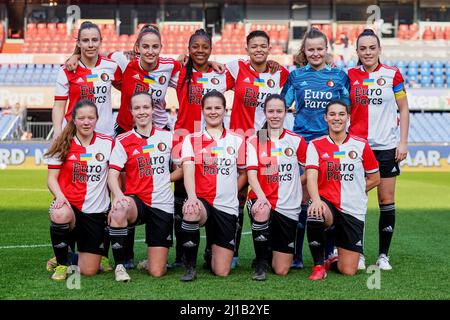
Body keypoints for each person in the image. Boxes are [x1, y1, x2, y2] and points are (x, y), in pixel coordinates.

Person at [281, 27, 350, 269]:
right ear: (304, 50)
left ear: (326, 49)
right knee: (302, 201)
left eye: (320, 48)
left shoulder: (340, 77)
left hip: (330, 148)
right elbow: (280, 106)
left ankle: (329, 252)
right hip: (302, 146)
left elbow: (348, 109)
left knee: (329, 198)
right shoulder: (296, 76)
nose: (316, 53)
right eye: (311, 49)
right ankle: (296, 256)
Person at [169, 29, 235, 269]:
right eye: (195, 46)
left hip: (211, 141)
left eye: (204, 47)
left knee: (212, 191)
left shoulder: (221, 75)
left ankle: (211, 249)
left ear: (211, 49)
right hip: (184, 139)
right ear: (188, 49)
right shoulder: (178, 71)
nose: (199, 50)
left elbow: (250, 72)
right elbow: (149, 63)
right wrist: (177, 58)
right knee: (181, 197)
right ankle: (181, 255)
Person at [226, 30, 290, 269]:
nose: (259, 50)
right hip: (241, 140)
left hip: (266, 140)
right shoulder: (236, 68)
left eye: (263, 46)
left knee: (268, 191)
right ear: (247, 48)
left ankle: (268, 250)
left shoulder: (280, 73)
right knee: (237, 196)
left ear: (269, 48)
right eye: (254, 46)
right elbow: (210, 76)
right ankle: (230, 251)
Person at [348, 29, 410, 270]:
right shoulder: (350, 75)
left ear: (379, 49)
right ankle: (358, 253)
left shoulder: (393, 75)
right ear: (357, 52)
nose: (368, 52)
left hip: (386, 148)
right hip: (358, 149)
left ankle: (383, 255)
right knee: (356, 200)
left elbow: (403, 109)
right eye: (363, 48)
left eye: (372, 48)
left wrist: (402, 142)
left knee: (386, 200)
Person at [305, 100, 380, 280]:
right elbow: (311, 177)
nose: (336, 118)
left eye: (341, 114)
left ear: (348, 117)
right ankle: (318, 266)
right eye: (332, 114)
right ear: (325, 118)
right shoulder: (315, 145)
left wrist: (355, 191)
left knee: (348, 270)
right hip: (327, 204)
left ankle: (334, 259)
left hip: (353, 208)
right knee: (315, 213)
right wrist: (316, 200)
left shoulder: (361, 145)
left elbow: (375, 179)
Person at [107, 92, 177, 282]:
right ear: (131, 111)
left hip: (162, 203)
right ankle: (120, 265)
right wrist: (119, 195)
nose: (142, 112)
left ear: (153, 109)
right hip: (136, 202)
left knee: (157, 272)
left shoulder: (168, 137)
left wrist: (163, 177)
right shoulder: (123, 140)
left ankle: (151, 261)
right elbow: (112, 175)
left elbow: (183, 170)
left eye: (146, 107)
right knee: (119, 209)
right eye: (137, 108)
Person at [179, 90, 246, 281]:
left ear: (225, 110)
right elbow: (189, 171)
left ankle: (210, 252)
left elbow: (243, 173)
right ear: (202, 110)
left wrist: (232, 190)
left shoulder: (238, 140)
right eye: (208, 108)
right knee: (191, 211)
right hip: (202, 202)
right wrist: (192, 197)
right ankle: (190, 267)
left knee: (222, 271)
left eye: (218, 107)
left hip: (226, 205)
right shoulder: (191, 139)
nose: (213, 111)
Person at [45, 99, 114, 281]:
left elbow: (115, 176)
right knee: (60, 213)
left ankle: (68, 255)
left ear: (97, 120)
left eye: (90, 118)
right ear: (74, 120)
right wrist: (60, 197)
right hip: (71, 208)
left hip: (95, 212)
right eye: (81, 118)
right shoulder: (62, 142)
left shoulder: (108, 143)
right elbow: (51, 179)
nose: (86, 122)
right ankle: (62, 264)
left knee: (89, 271)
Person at [246, 94, 307, 281]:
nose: (275, 115)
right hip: (261, 200)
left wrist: (297, 183)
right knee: (263, 211)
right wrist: (262, 197)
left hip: (288, 206)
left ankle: (270, 250)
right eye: (270, 111)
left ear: (285, 112)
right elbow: (252, 175)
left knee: (281, 270)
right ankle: (261, 263)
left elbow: (310, 172)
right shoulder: (257, 139)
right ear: (264, 112)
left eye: (279, 111)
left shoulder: (296, 140)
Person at [53, 21, 122, 138]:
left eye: (95, 40)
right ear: (78, 43)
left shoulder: (112, 67)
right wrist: (57, 131)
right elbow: (59, 105)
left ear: (101, 41)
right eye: (85, 41)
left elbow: (127, 90)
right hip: (73, 134)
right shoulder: (67, 69)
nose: (90, 45)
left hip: (105, 134)